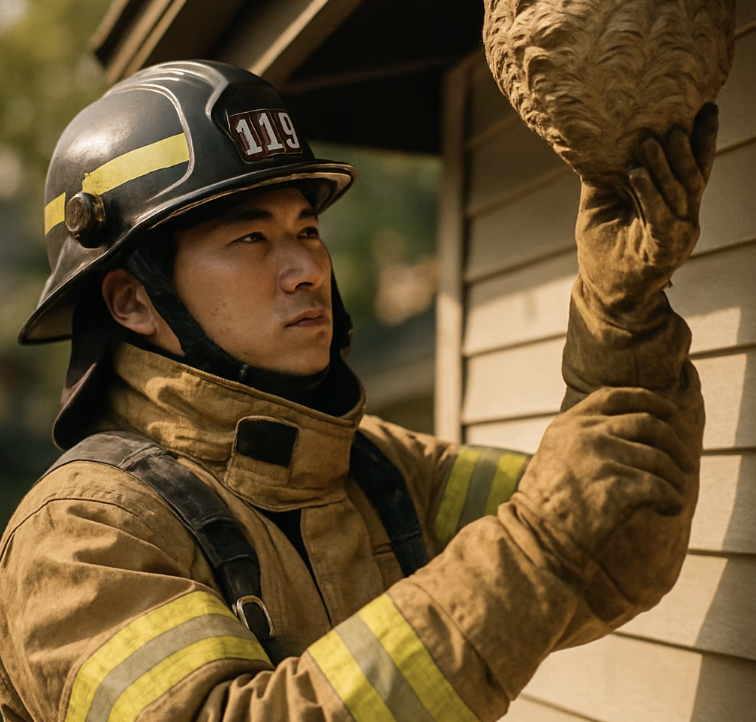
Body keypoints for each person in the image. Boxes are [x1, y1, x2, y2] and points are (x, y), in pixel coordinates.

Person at [0, 60, 714, 722]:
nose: (306, 268)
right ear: (131, 302)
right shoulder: (83, 537)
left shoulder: (377, 470)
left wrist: (622, 322)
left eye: (307, 229)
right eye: (251, 239)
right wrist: (534, 550)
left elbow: (615, 544)